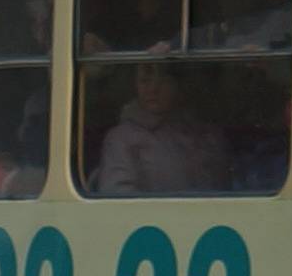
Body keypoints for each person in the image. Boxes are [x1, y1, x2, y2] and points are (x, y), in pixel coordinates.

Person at [90, 64, 235, 193]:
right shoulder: (121, 138)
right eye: (145, 81)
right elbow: (117, 196)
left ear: (178, 85)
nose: (153, 89)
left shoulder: (206, 133)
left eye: (163, 81)